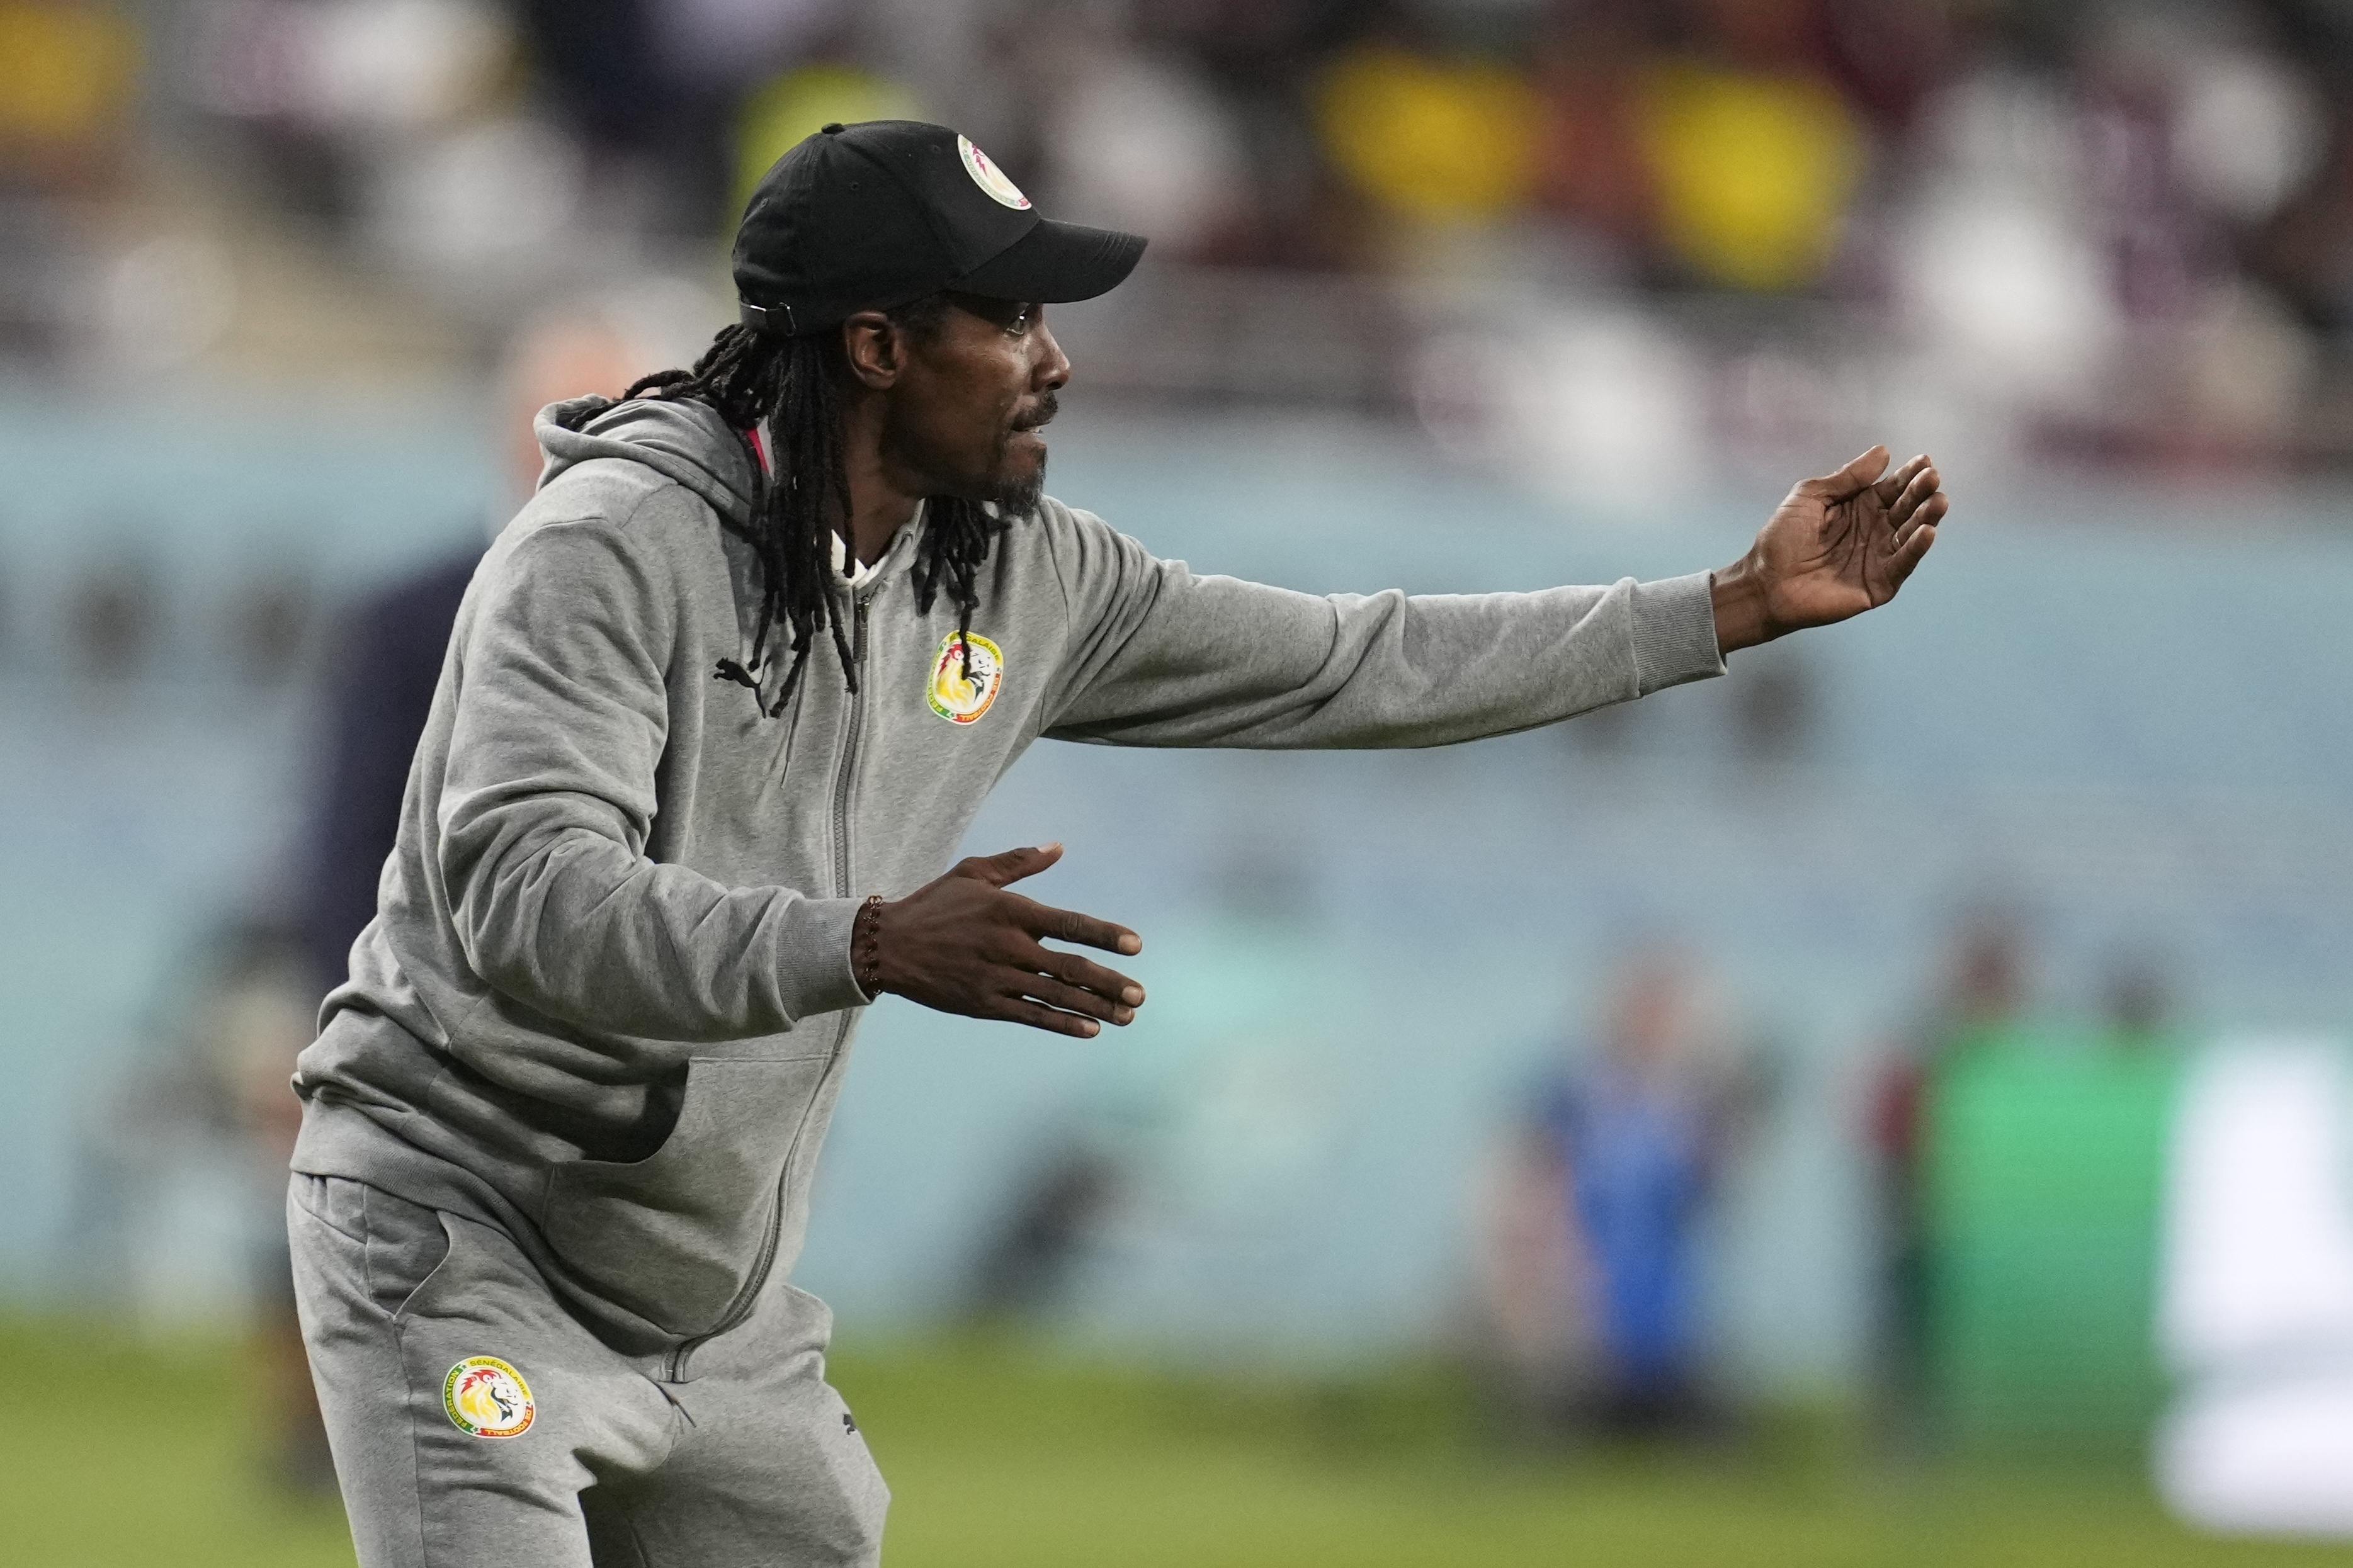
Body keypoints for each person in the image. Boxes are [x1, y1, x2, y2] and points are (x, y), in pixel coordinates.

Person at [285, 118, 1949, 1565]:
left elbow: (1348, 660)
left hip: (709, 1308)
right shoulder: (608, 548)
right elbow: (522, 896)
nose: (1053, 356)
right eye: (1007, 315)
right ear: (874, 345)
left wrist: (1719, 607)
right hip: (466, 1245)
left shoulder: (1023, 573)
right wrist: (856, 944)